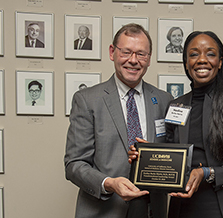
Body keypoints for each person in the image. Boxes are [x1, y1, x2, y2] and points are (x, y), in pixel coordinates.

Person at [64, 23, 173, 218]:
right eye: (126, 52)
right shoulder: (87, 100)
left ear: (149, 59)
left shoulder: (164, 100)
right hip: (104, 211)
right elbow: (74, 164)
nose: (133, 60)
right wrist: (109, 183)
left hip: (152, 211)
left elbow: (173, 154)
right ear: (112, 52)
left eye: (141, 54)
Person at [165, 31, 223, 218]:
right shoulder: (176, 106)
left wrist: (208, 173)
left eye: (210, 53)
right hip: (183, 207)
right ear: (186, 63)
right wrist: (144, 154)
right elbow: (169, 155)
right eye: (194, 54)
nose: (202, 60)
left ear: (220, 61)